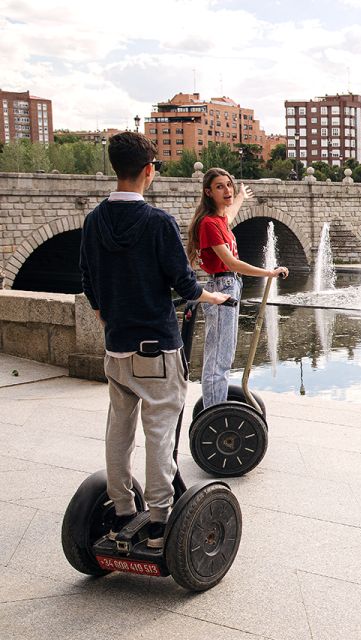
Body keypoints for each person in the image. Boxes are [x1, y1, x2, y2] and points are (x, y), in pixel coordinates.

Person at [79, 132, 231, 548]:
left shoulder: (94, 220)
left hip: (116, 349)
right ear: (149, 171)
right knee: (160, 431)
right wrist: (215, 295)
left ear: (116, 167)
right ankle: (160, 522)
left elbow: (89, 282)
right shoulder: (158, 222)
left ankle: (122, 510)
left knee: (119, 430)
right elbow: (185, 285)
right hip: (157, 350)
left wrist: (107, 315)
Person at [185, 169, 289, 409]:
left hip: (230, 285)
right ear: (208, 192)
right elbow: (231, 263)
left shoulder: (219, 220)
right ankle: (214, 411)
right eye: (220, 186)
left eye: (229, 185)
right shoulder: (209, 224)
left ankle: (216, 406)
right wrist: (268, 272)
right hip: (223, 286)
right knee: (218, 358)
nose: (227, 190)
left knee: (225, 355)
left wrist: (241, 195)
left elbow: (230, 212)